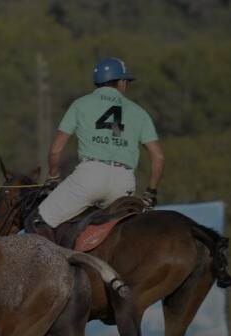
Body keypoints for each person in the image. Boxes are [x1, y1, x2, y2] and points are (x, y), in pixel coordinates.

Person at [32, 57, 165, 241]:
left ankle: (50, 268)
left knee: (39, 220)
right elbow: (158, 158)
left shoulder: (80, 104)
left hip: (89, 177)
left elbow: (55, 151)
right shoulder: (139, 112)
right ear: (120, 82)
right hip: (124, 183)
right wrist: (151, 192)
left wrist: (53, 175)